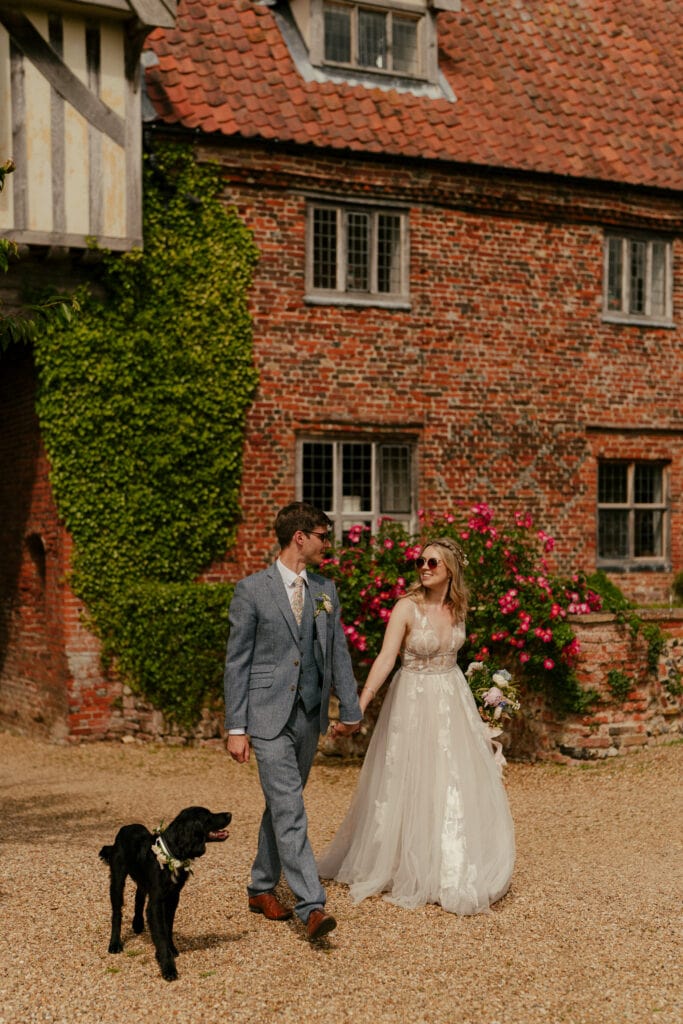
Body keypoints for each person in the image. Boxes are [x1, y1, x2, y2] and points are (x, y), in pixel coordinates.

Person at [318, 537, 515, 914]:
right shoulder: (406, 608)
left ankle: (447, 862)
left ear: (450, 572)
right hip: (412, 699)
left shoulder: (457, 609)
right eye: (420, 561)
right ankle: (400, 861)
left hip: (451, 699)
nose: (424, 567)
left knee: (454, 778)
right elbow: (386, 657)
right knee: (409, 777)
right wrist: (358, 707)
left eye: (433, 563)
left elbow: (455, 659)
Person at [224, 502, 363, 940]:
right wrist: (236, 727)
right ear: (299, 536)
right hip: (265, 717)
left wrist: (352, 710)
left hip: (308, 716)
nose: (329, 543)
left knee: (281, 805)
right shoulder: (251, 590)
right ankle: (312, 905)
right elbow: (237, 662)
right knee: (290, 807)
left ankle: (261, 886)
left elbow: (337, 652)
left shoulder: (325, 589)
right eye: (324, 534)